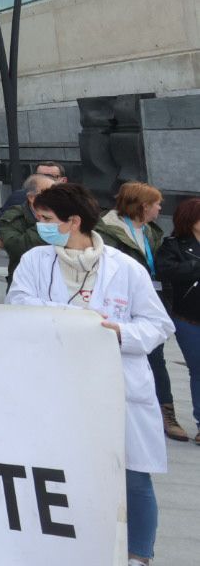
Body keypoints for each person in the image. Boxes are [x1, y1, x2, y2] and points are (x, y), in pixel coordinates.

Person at [9, 183, 172, 566]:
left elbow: (158, 324)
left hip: (116, 386)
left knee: (133, 477)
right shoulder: (35, 260)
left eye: (47, 219)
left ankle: (138, 556)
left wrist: (120, 333)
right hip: (57, 384)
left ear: (74, 221)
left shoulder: (125, 268)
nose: (40, 225)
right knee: (62, 473)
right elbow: (18, 303)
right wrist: (73, 318)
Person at [100, 182, 190, 442]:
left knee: (156, 357)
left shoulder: (152, 232)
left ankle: (166, 413)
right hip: (121, 304)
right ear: (143, 206)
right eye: (156, 204)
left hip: (154, 299)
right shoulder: (108, 232)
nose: (160, 208)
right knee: (142, 359)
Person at [155, 197, 200, 445]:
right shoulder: (173, 245)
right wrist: (195, 265)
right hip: (188, 317)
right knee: (198, 369)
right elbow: (166, 270)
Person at [0, 173, 55, 279]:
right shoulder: (14, 216)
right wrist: (45, 224)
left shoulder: (63, 214)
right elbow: (17, 248)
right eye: (47, 192)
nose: (55, 197)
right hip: (25, 279)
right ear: (31, 197)